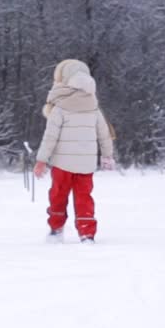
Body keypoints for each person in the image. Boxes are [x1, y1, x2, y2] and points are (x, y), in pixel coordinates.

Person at [33, 59, 116, 243]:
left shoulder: (60, 107)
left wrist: (41, 160)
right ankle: (87, 234)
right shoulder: (93, 107)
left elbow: (50, 137)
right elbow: (104, 134)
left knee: (58, 196)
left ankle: (56, 229)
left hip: (62, 164)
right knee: (84, 198)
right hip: (86, 165)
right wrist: (107, 155)